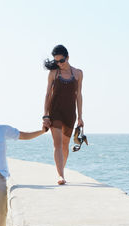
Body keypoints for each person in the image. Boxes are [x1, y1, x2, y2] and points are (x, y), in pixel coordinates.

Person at [42, 44, 84, 185]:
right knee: (58, 144)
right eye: (56, 61)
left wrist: (80, 117)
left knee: (65, 145)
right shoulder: (54, 73)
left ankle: (61, 170)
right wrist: (45, 114)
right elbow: (48, 94)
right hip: (55, 112)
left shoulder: (78, 73)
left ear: (68, 57)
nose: (59, 64)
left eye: (61, 61)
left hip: (70, 113)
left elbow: (78, 95)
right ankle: (60, 175)